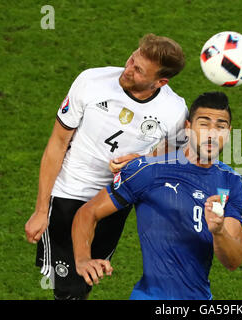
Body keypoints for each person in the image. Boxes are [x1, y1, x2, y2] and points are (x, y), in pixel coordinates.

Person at [24, 33, 188, 300]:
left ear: (160, 82)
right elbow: (57, 143)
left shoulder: (174, 111)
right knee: (69, 288)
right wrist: (41, 210)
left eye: (138, 70)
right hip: (69, 192)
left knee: (85, 279)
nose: (128, 69)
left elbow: (170, 160)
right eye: (132, 59)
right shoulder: (91, 82)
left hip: (113, 201)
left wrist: (140, 161)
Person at [72, 92, 242, 300]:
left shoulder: (232, 182)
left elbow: (233, 261)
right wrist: (82, 259)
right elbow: (88, 212)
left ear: (229, 133)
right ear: (189, 129)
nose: (211, 134)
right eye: (204, 124)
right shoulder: (149, 170)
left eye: (221, 126)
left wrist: (219, 232)